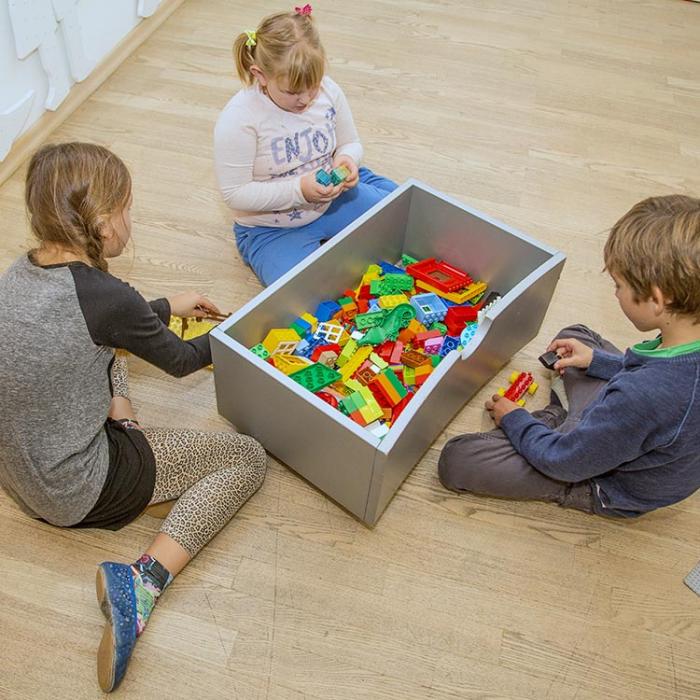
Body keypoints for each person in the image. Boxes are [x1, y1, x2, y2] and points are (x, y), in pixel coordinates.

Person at [0, 142, 267, 692]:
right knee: (246, 458)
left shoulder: (18, 273)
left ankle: (128, 439)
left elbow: (101, 320)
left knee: (109, 353)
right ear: (99, 222)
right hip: (76, 487)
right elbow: (185, 359)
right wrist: (247, 327)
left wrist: (164, 306)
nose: (130, 220)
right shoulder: (109, 298)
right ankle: (142, 580)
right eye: (125, 209)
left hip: (19, 472)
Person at [438, 195, 700, 518]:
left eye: (618, 285)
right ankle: (566, 418)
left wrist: (514, 418)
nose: (614, 292)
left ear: (657, 300)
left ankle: (554, 420)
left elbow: (565, 462)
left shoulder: (641, 396)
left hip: (599, 479)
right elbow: (656, 376)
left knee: (456, 459)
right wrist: (598, 361)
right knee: (575, 337)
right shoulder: (683, 344)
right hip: (631, 426)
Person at [214, 4, 397, 286]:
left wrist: (346, 160)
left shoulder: (329, 90)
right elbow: (235, 194)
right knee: (301, 294)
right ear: (260, 75)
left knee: (403, 219)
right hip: (271, 229)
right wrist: (299, 190)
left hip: (335, 200)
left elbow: (350, 142)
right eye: (292, 91)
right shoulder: (239, 119)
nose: (305, 99)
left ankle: (372, 193)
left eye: (313, 86)